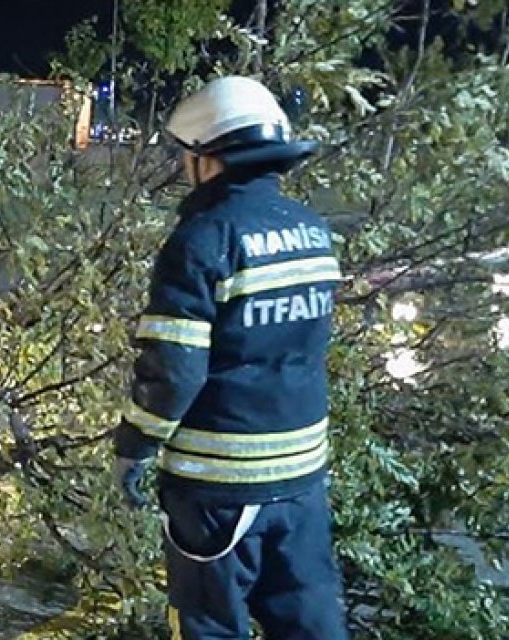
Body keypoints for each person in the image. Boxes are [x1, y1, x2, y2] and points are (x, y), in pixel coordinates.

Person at [112, 76, 349, 639]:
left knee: (209, 626)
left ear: (207, 158)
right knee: (310, 619)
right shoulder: (314, 232)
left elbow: (174, 371)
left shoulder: (203, 239)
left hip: (216, 491)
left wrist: (134, 447)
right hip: (301, 479)